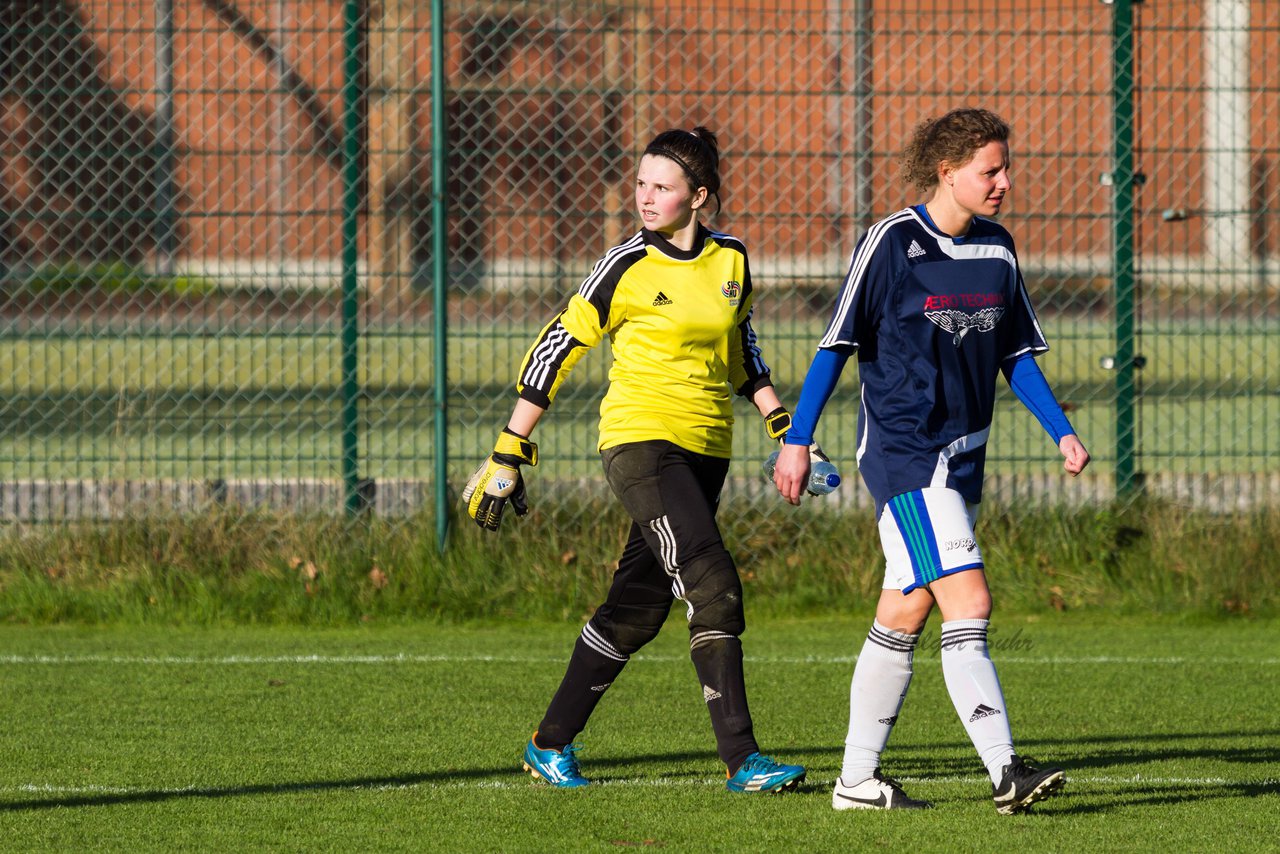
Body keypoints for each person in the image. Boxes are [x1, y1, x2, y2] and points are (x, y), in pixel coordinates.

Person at [462, 126, 806, 793]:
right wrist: (511, 446)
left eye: (662, 187)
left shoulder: (731, 259)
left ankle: (548, 743)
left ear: (699, 196)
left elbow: (742, 349)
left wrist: (780, 421)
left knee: (637, 609)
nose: (645, 197)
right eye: (641, 183)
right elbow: (555, 346)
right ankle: (744, 759)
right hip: (640, 443)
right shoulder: (624, 264)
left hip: (709, 449)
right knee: (712, 584)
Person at [772, 108, 1090, 814]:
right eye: (990, 170)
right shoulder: (892, 243)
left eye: (1005, 168)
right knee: (970, 601)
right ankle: (1007, 770)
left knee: (907, 608)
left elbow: (1014, 355)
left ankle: (856, 782)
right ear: (946, 172)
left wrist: (1061, 431)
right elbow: (835, 346)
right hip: (905, 457)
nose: (1004, 182)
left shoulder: (999, 250)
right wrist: (797, 438)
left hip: (964, 460)